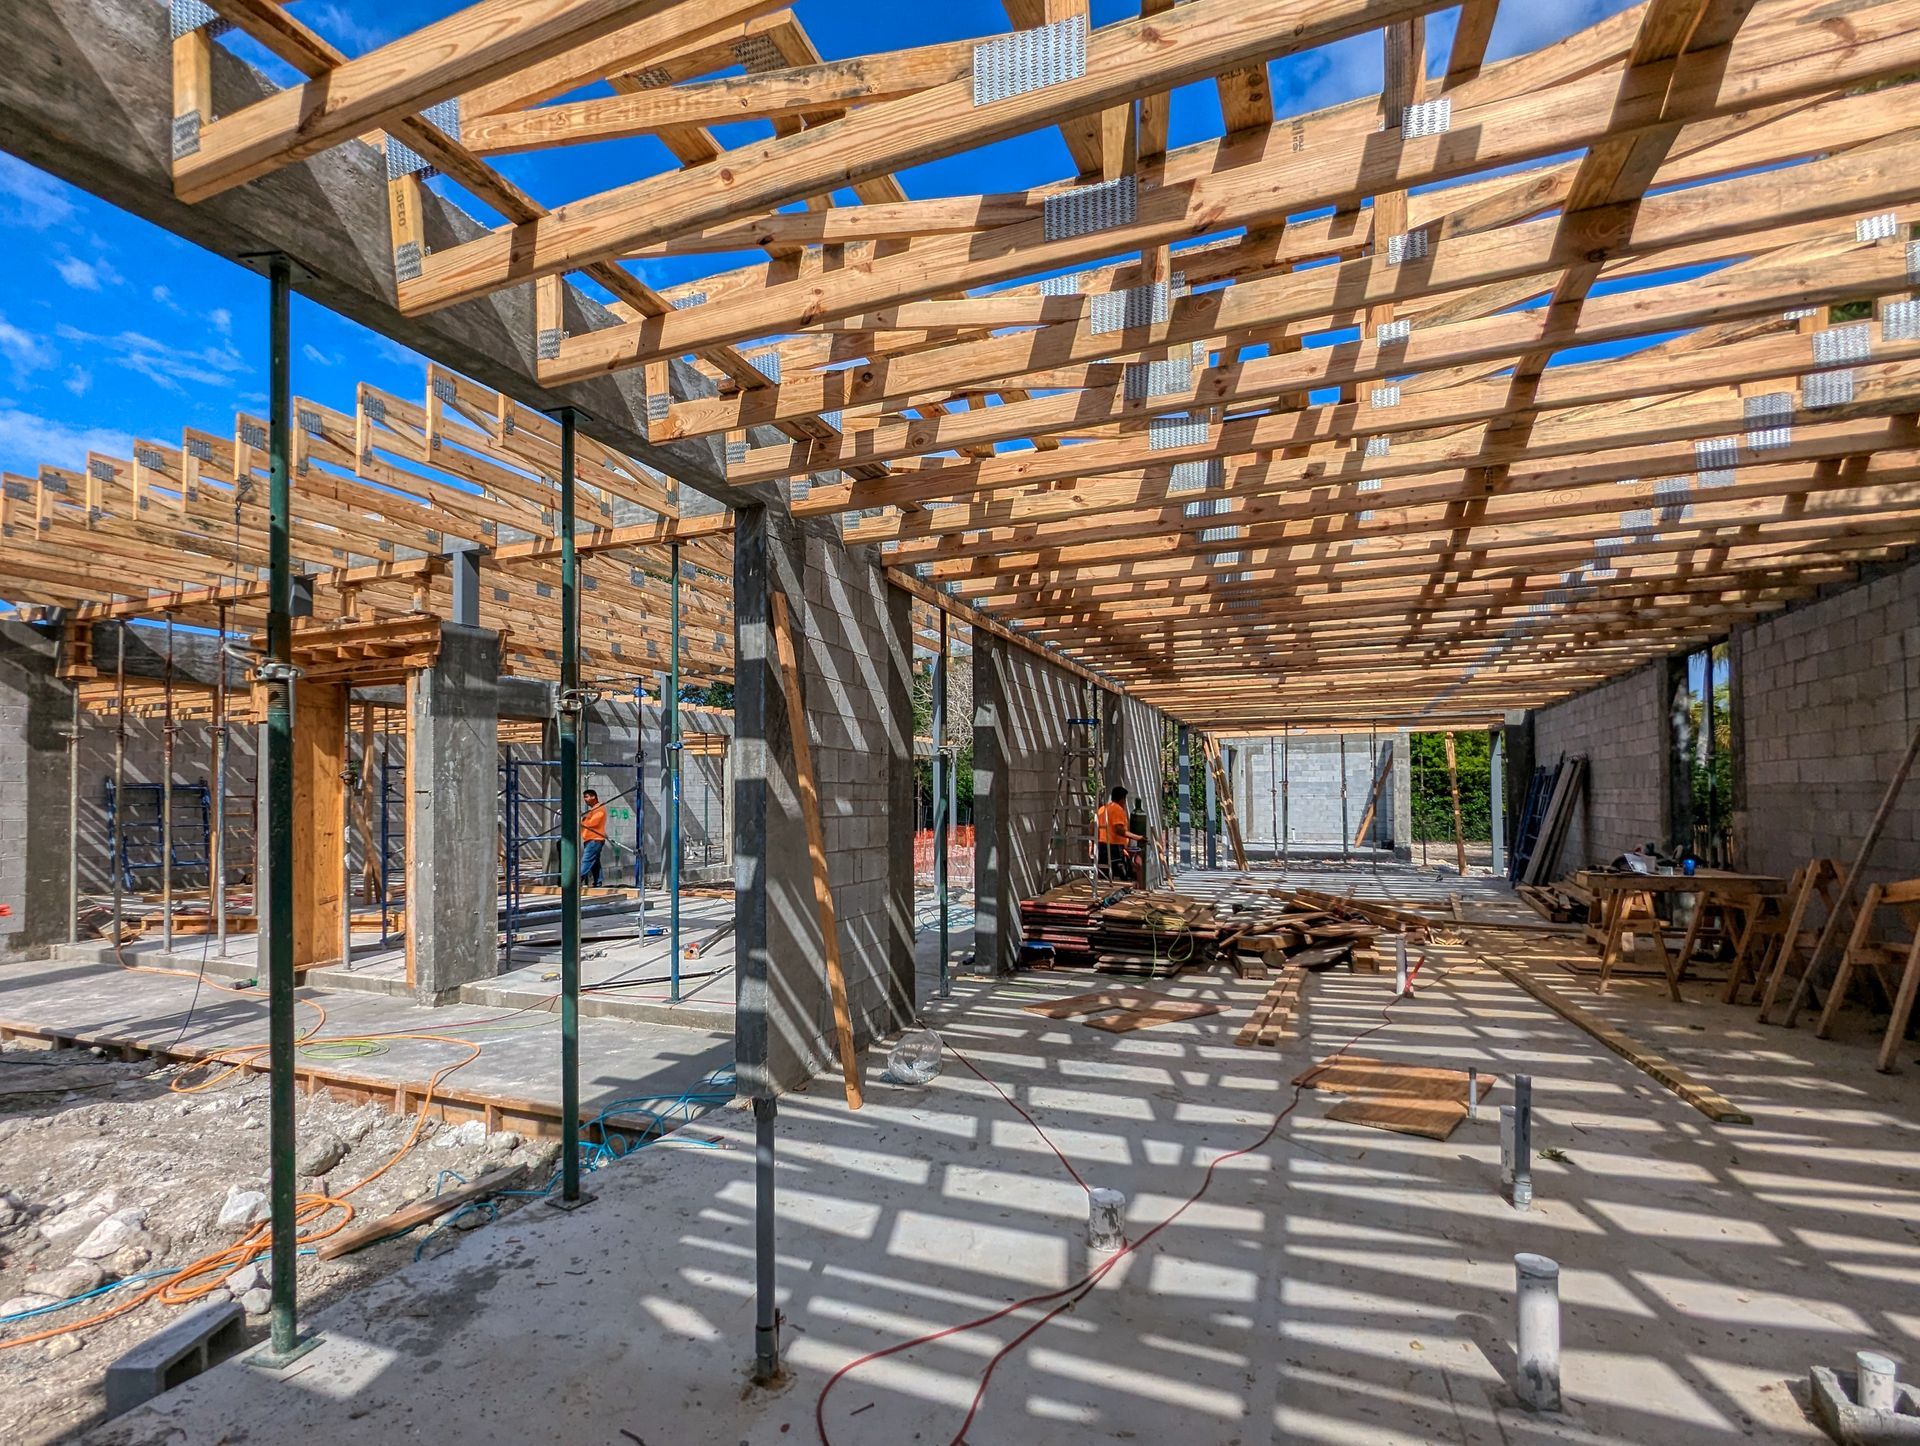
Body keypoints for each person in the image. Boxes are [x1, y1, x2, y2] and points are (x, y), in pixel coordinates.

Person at [1095, 785, 1140, 884]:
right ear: (1122, 799)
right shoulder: (1117, 809)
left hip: (1101, 846)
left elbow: (1092, 827)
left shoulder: (1102, 809)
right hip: (1114, 848)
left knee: (1104, 877)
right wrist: (1137, 837)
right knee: (1124, 878)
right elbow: (1118, 829)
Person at [580, 788, 607, 886]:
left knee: (586, 860)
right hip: (591, 839)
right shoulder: (593, 810)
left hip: (595, 840)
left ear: (593, 797)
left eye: (586, 797)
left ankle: (576, 882)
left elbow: (593, 823)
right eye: (584, 797)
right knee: (595, 862)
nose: (585, 799)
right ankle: (598, 881)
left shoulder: (599, 809)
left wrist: (582, 821)